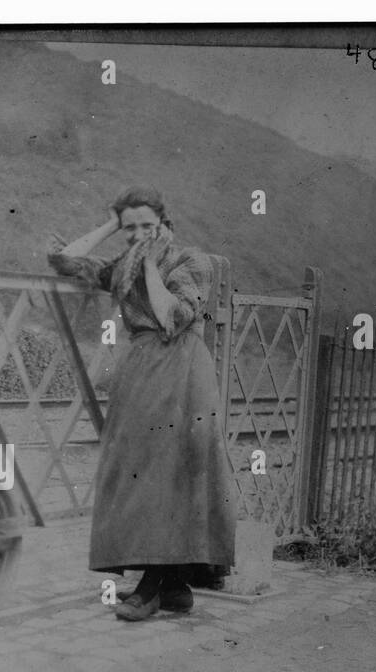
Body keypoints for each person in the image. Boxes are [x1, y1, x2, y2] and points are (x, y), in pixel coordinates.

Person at [47, 186, 236, 620]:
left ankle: (150, 588)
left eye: (147, 226)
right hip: (142, 370)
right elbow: (65, 261)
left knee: (168, 471)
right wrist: (114, 223)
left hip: (184, 369)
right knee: (138, 468)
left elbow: (174, 316)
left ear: (166, 225)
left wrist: (150, 264)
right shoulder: (124, 265)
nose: (138, 236)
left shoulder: (191, 261)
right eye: (130, 229)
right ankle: (173, 586)